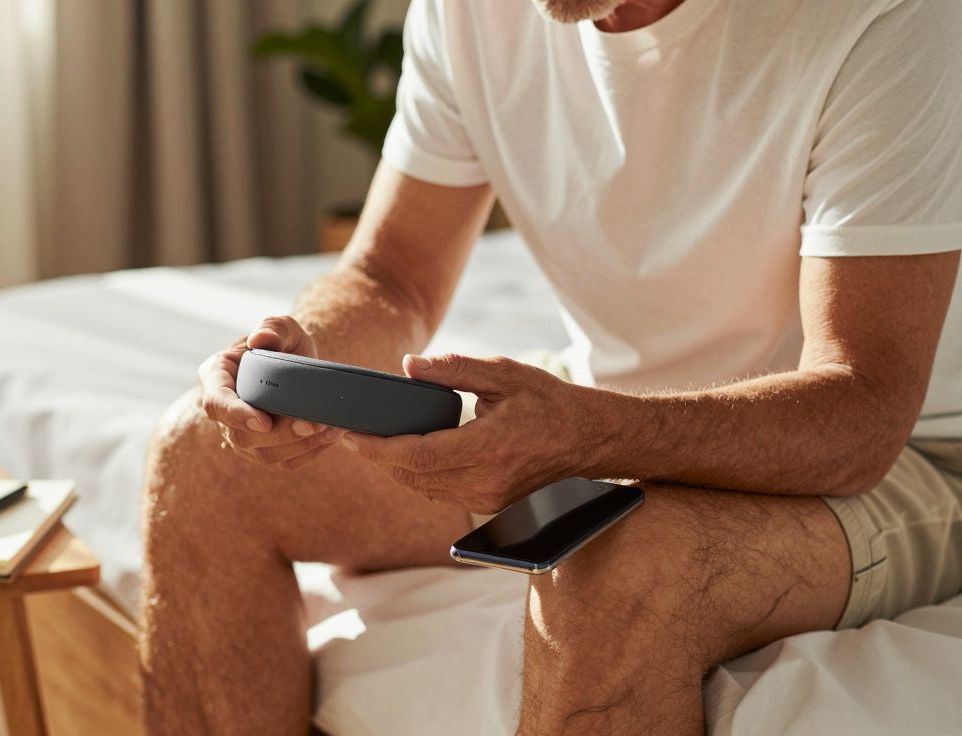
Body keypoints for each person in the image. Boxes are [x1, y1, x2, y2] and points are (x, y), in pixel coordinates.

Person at [138, 0, 962, 733]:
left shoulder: (885, 17)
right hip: (612, 409)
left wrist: (587, 433)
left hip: (896, 461)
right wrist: (300, 347)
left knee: (608, 567)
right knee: (199, 459)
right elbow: (392, 274)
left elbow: (862, 411)